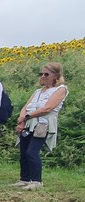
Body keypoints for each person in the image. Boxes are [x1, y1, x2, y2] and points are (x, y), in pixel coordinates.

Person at [14, 62, 69, 190]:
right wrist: (22, 120)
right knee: (24, 151)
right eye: (41, 74)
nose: (43, 76)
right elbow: (26, 107)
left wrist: (27, 116)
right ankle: (25, 178)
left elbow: (48, 108)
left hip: (43, 124)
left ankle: (36, 181)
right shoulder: (38, 91)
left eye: (46, 74)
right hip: (30, 123)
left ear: (55, 75)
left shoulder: (61, 89)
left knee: (32, 152)